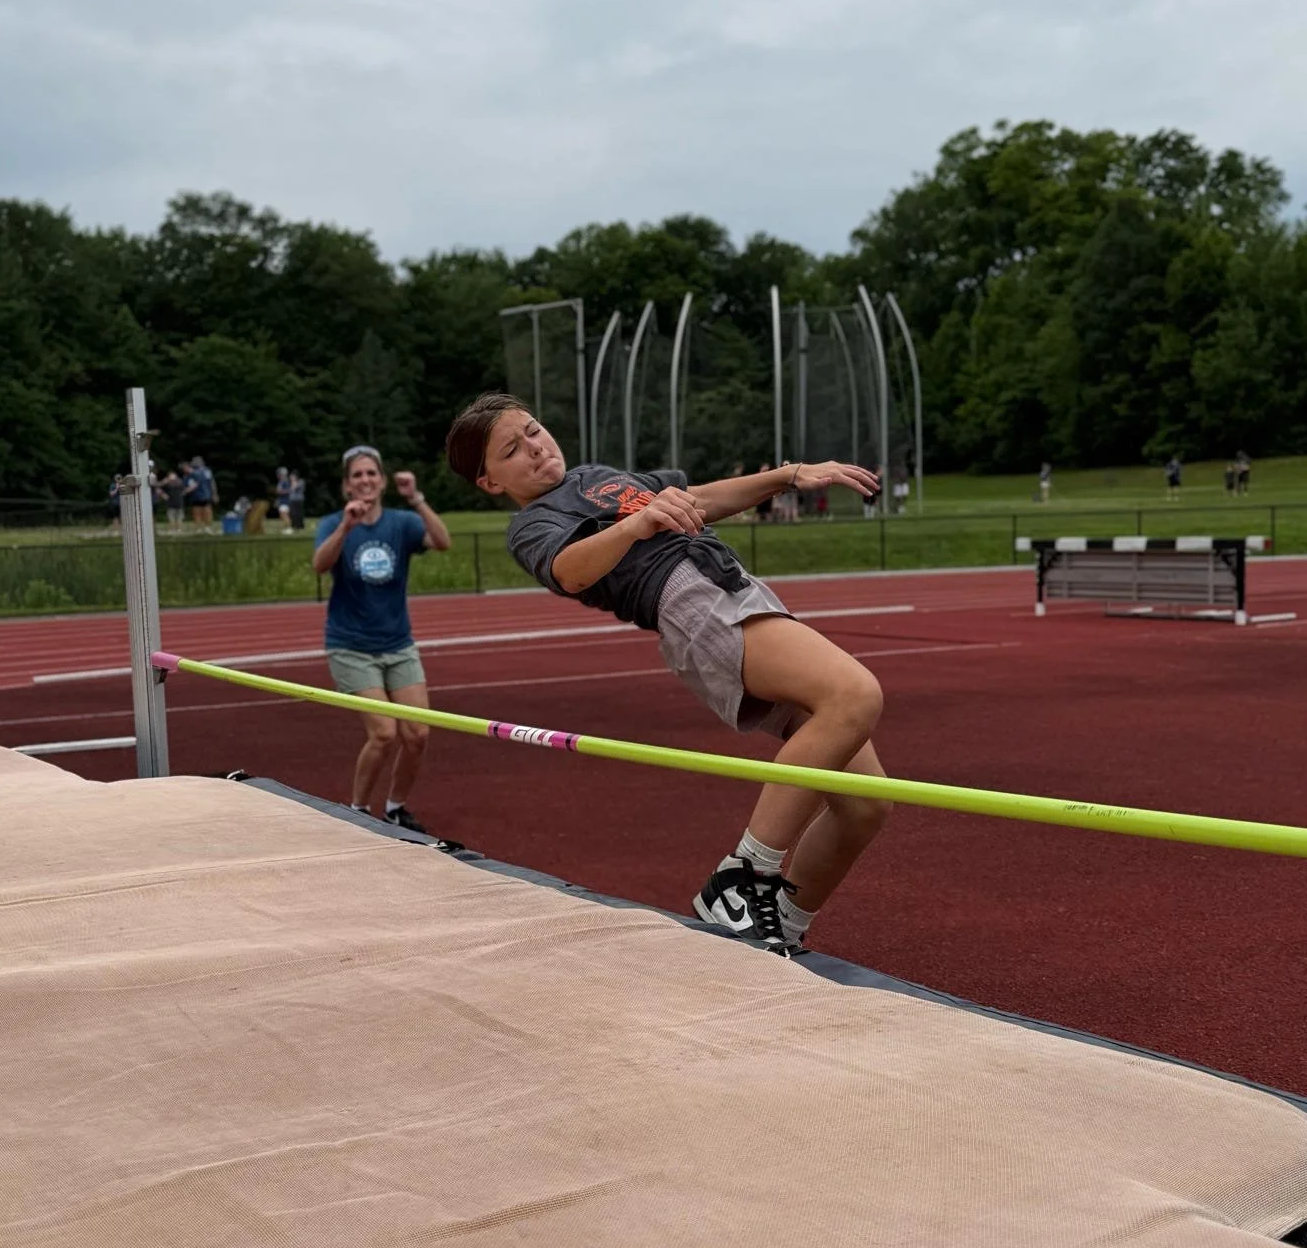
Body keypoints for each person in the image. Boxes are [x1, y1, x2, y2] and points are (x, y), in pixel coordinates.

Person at [445, 393, 889, 959]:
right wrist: (637, 524)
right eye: (513, 450)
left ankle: (776, 926)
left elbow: (694, 501)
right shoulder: (533, 524)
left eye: (533, 430)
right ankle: (742, 877)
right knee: (853, 695)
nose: (535, 448)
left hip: (731, 584)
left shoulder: (595, 476)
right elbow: (569, 571)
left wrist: (789, 475)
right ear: (490, 482)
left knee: (864, 804)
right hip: (690, 603)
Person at [312, 445, 452, 831]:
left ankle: (395, 807)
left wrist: (417, 499)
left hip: (397, 644)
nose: (365, 480)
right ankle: (357, 811)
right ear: (347, 486)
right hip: (351, 646)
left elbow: (442, 542)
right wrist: (346, 527)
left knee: (418, 733)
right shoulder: (334, 523)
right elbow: (319, 566)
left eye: (371, 473)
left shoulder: (402, 522)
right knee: (384, 732)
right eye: (357, 475)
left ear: (383, 481)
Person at [160, 466, 186, 532]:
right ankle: (172, 529)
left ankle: (179, 529)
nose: (172, 477)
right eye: (170, 475)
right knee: (171, 518)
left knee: (179, 517)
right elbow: (159, 487)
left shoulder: (179, 482)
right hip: (170, 503)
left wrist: (175, 480)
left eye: (173, 475)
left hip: (179, 502)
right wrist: (163, 495)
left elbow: (183, 487)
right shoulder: (166, 483)